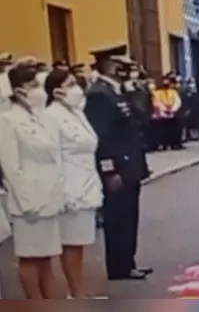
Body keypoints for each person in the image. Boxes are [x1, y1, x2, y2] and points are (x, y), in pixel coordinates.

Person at [85, 46, 152, 281]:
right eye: (119, 65)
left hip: (130, 165)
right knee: (117, 218)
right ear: (110, 65)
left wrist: (135, 92)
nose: (124, 70)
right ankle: (118, 267)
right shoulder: (98, 94)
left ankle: (128, 262)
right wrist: (109, 170)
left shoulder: (117, 91)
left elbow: (142, 117)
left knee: (129, 216)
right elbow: (102, 137)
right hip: (117, 168)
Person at [0, 61, 64, 298]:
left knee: (47, 257)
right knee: (30, 258)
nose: (39, 89)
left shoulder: (41, 117)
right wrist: (26, 202)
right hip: (29, 197)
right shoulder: (8, 120)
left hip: (49, 194)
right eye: (33, 84)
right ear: (18, 90)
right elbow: (11, 166)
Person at [43, 69, 103, 298]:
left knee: (80, 243)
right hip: (69, 187)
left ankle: (80, 291)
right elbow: (53, 155)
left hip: (86, 182)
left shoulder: (77, 112)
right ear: (56, 91)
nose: (76, 88)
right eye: (70, 84)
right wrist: (60, 190)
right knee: (71, 244)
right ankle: (75, 293)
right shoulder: (51, 115)